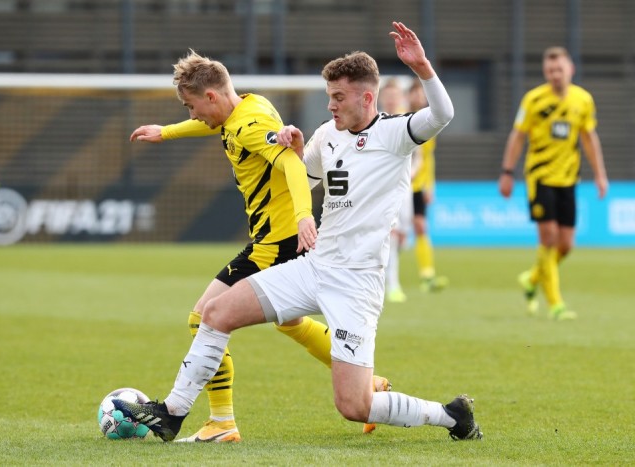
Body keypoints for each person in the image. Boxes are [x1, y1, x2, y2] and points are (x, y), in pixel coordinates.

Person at [114, 21, 482, 443]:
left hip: (356, 282)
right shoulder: (326, 136)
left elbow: (443, 115)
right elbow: (300, 177)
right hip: (314, 266)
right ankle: (173, 413)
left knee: (354, 405)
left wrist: (422, 68)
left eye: (338, 97)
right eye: (329, 96)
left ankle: (450, 416)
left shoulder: (395, 134)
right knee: (214, 315)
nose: (330, 105)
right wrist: (292, 145)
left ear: (366, 97)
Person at [129, 50, 391, 442]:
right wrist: (166, 132)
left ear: (212, 96)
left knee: (203, 318)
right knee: (290, 322)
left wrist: (303, 215)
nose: (192, 114)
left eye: (191, 106)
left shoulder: (250, 125)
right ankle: (371, 384)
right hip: (276, 238)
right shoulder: (244, 109)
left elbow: (291, 163)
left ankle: (221, 422)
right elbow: (212, 125)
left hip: (277, 241)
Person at [499, 46, 608, 320]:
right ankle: (556, 304)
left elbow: (589, 138)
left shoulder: (583, 100)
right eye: (550, 70)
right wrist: (507, 171)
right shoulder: (533, 100)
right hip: (540, 177)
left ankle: (532, 278)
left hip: (568, 178)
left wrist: (600, 174)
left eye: (559, 69)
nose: (555, 75)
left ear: (570, 69)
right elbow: (517, 136)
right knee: (547, 237)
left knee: (566, 245)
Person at [408, 80, 449, 293]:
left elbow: (428, 157)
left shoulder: (429, 121)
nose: (419, 97)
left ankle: (427, 274)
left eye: (421, 93)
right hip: (400, 185)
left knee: (421, 226)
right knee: (394, 234)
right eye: (415, 93)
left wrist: (429, 185)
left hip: (418, 185)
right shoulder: (402, 118)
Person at [378, 77, 413, 303]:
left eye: (394, 96)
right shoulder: (375, 122)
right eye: (388, 96)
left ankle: (390, 278)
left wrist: (415, 174)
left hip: (405, 187)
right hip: (383, 188)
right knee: (388, 235)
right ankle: (392, 284)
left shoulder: (409, 122)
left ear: (401, 98)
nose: (391, 100)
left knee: (401, 238)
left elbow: (419, 156)